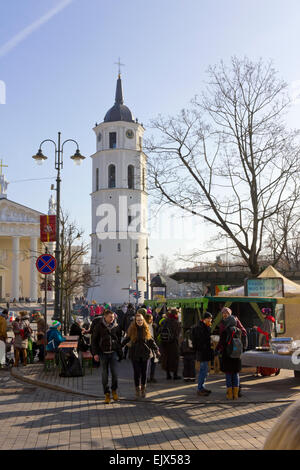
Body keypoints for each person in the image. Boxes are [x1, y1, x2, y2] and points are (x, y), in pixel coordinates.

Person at [122, 312, 160, 399]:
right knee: (136, 373)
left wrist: (156, 349)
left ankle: (143, 389)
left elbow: (151, 341)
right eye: (138, 320)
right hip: (134, 354)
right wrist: (119, 347)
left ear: (143, 321)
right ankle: (137, 390)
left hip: (145, 354)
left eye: (141, 320)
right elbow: (126, 339)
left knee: (144, 373)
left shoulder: (146, 329)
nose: (139, 322)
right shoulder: (132, 330)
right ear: (135, 321)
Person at [91, 309, 123, 404]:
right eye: (110, 317)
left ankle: (114, 391)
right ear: (105, 317)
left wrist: (119, 350)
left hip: (113, 353)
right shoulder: (99, 326)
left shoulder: (116, 326)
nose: (112, 319)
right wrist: (95, 353)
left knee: (115, 374)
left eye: (113, 317)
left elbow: (119, 339)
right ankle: (107, 394)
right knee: (105, 375)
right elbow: (94, 341)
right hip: (103, 353)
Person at [219, 306, 247, 396]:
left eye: (226, 313)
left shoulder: (232, 323)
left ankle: (232, 393)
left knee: (230, 372)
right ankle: (234, 393)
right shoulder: (225, 323)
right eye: (223, 313)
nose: (224, 315)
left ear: (229, 313)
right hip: (234, 352)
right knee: (235, 372)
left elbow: (244, 332)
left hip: (229, 352)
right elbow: (243, 332)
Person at [217, 315, 242, 400]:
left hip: (227, 356)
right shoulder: (238, 331)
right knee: (235, 374)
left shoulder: (225, 331)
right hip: (237, 356)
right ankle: (236, 395)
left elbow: (221, 343)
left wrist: (217, 350)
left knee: (228, 374)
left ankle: (229, 394)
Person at [191, 312, 214, 396]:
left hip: (204, 352)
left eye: (211, 319)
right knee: (203, 371)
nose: (210, 320)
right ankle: (200, 388)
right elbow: (201, 340)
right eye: (209, 318)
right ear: (204, 319)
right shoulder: (201, 327)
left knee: (204, 371)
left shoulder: (205, 326)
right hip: (202, 352)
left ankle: (202, 387)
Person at [159, 308, 181, 380]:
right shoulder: (176, 322)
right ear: (175, 314)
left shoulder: (164, 321)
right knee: (174, 358)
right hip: (173, 343)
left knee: (166, 358)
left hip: (164, 343)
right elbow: (177, 334)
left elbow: (159, 330)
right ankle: (175, 375)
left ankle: (168, 374)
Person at [145, 312, 159, 383]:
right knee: (147, 363)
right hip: (147, 346)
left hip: (153, 345)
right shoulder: (144, 326)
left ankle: (152, 377)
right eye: (151, 319)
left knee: (154, 362)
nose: (152, 320)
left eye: (152, 319)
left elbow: (156, 334)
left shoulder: (154, 326)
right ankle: (146, 377)